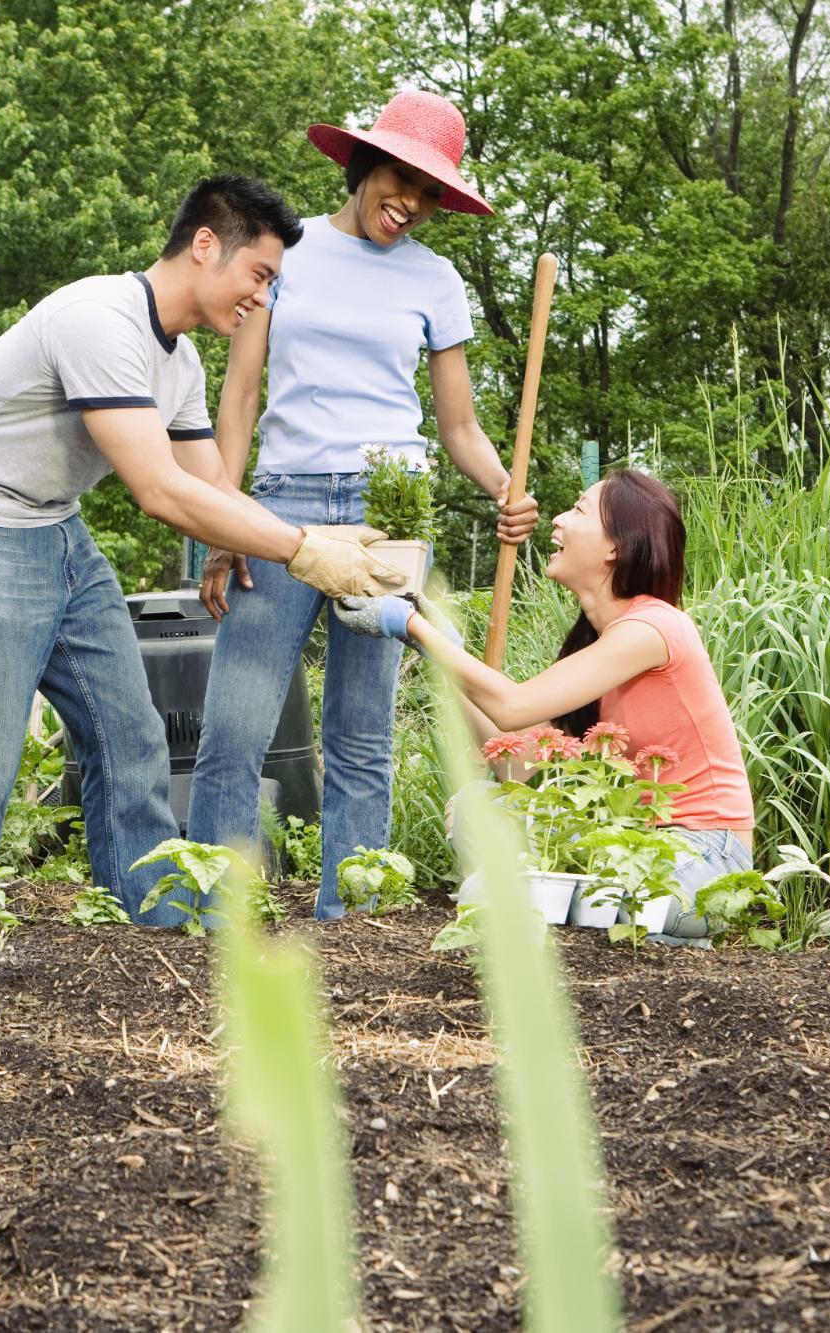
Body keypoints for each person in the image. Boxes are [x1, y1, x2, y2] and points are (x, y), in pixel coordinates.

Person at [0, 174, 408, 942]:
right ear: (205, 246)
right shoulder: (100, 320)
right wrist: (304, 550)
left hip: (53, 527)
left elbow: (213, 490)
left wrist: (322, 542)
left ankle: (156, 927)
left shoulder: (183, 367)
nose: (262, 300)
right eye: (259, 275)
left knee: (130, 735)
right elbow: (161, 492)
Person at [188, 89, 538, 918]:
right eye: (399, 180)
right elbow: (238, 400)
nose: (409, 205)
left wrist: (505, 489)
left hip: (392, 512)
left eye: (427, 194)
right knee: (234, 728)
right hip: (285, 508)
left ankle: (352, 921)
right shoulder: (289, 255)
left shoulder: (437, 281)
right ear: (362, 165)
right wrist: (220, 521)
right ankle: (212, 912)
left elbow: (459, 425)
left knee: (361, 737)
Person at [334, 469, 756, 935]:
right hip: (628, 847)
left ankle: (651, 927)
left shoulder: (654, 629)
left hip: (704, 859)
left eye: (577, 509)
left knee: (506, 895)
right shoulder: (597, 644)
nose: (556, 520)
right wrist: (439, 648)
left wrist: (416, 627)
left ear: (616, 546)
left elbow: (512, 705)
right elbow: (516, 764)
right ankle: (637, 930)